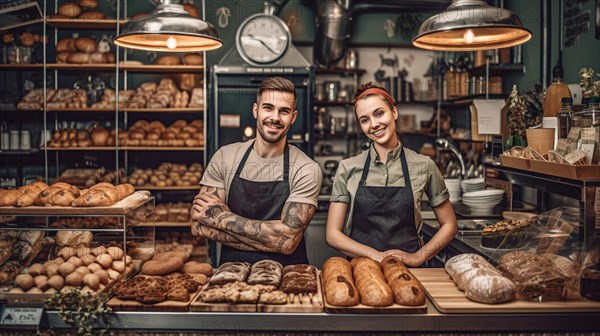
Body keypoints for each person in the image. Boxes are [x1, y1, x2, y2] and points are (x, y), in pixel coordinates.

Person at [191, 77, 322, 266]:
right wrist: (271, 239)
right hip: (230, 277)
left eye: (284, 111)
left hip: (290, 281)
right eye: (268, 108)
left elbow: (288, 242)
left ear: (293, 117)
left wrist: (221, 217)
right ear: (256, 110)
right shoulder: (225, 157)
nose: (275, 118)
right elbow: (198, 226)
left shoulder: (306, 168)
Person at [325, 82, 457, 267]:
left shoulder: (424, 165)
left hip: (410, 270)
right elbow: (332, 235)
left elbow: (449, 224)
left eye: (379, 113)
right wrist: (376, 255)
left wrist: (419, 257)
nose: (374, 124)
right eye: (364, 120)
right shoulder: (348, 168)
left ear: (394, 112)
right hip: (362, 271)